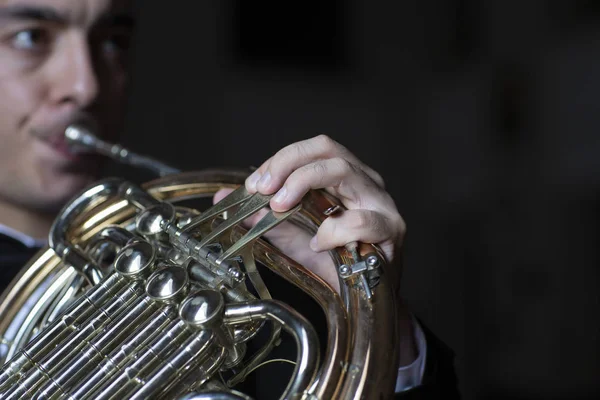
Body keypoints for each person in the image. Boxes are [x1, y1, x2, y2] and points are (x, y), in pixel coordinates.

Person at [0, 0, 459, 398]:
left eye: (113, 40)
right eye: (30, 36)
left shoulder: (257, 288)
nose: (87, 86)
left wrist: (384, 332)